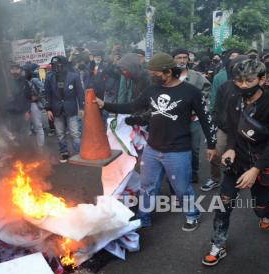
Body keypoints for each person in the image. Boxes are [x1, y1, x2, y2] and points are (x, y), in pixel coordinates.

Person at [95, 53, 217, 231]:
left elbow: (206, 118)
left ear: (168, 72)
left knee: (182, 188)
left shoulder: (191, 92)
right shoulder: (152, 90)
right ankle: (144, 218)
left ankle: (192, 214)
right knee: (147, 187)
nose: (152, 76)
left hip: (178, 151)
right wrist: (104, 104)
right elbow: (132, 106)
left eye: (155, 73)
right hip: (152, 149)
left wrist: (212, 145)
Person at [202, 58, 269, 266]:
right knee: (223, 203)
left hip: (264, 162)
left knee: (259, 208)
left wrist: (256, 170)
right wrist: (230, 148)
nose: (242, 85)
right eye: (238, 81)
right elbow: (233, 129)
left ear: (262, 78)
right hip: (237, 161)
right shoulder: (234, 99)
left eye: (248, 81)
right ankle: (218, 244)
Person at [203, 55, 249, 192]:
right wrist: (215, 125)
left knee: (243, 154)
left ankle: (241, 177)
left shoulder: (253, 85)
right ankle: (215, 178)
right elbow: (217, 107)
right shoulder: (225, 86)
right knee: (215, 154)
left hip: (245, 128)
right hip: (225, 127)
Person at [172, 48, 212, 184]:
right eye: (179, 57)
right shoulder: (169, 77)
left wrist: (198, 106)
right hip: (174, 120)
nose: (182, 60)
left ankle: (194, 172)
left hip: (193, 119)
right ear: (173, 60)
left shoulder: (196, 76)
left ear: (188, 60)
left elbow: (207, 91)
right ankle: (175, 172)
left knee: (194, 148)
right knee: (175, 147)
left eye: (185, 57)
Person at [44, 56, 84, 163]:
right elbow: (47, 94)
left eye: (58, 64)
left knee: (75, 132)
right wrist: (48, 109)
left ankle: (79, 153)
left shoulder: (74, 76)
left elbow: (80, 93)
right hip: (56, 109)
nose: (56, 67)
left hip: (71, 108)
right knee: (60, 133)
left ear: (64, 64)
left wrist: (82, 107)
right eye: (53, 65)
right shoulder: (49, 77)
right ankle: (64, 153)